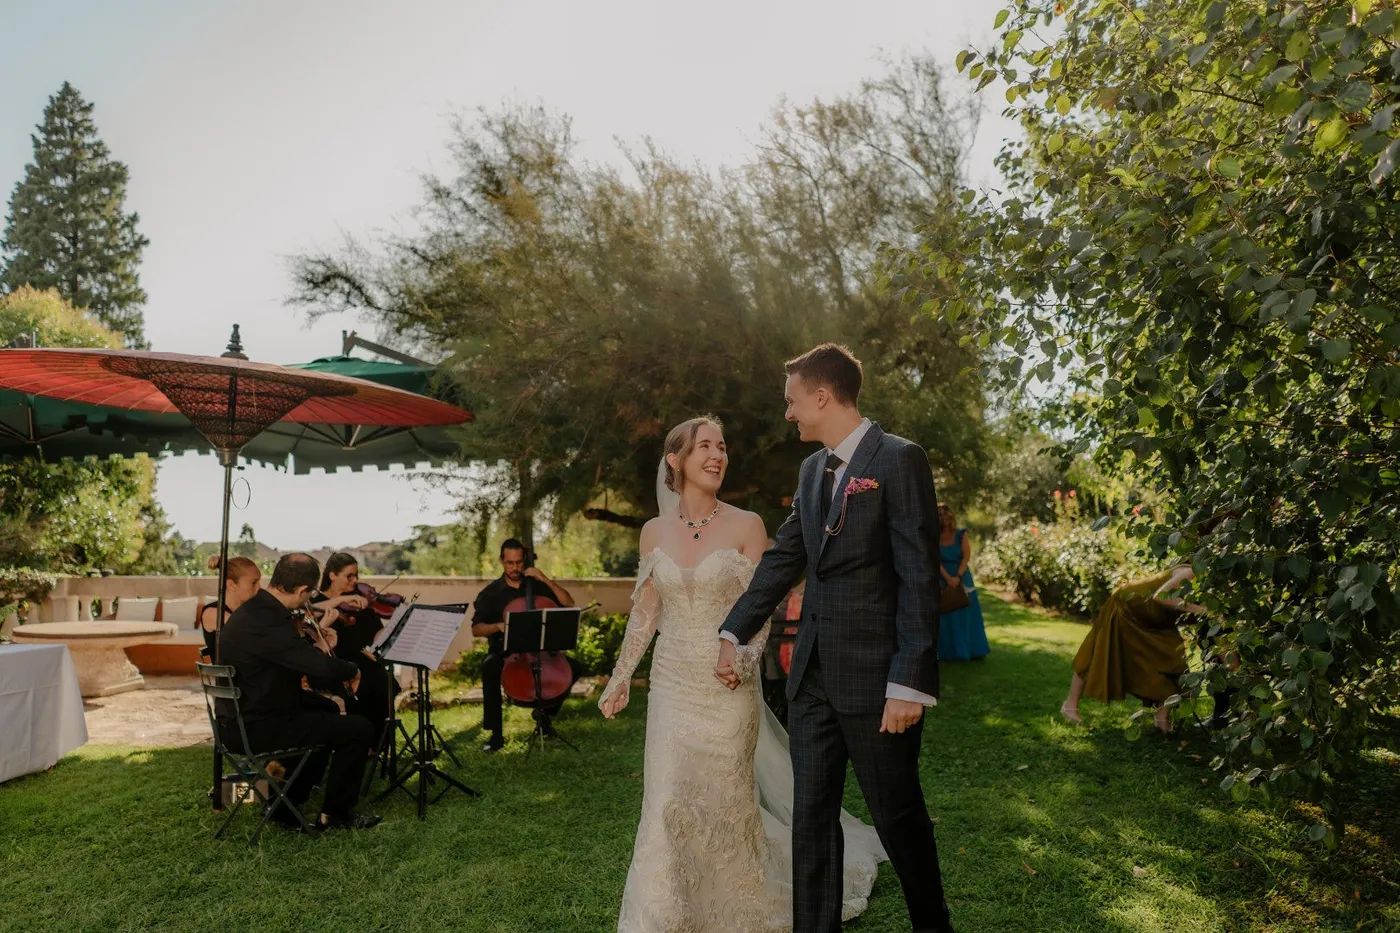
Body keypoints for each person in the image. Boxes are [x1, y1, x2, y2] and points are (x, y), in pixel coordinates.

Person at [600, 414, 886, 931]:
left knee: (728, 800)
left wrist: (745, 660)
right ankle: (662, 914)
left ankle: (738, 904)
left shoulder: (747, 525)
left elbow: (762, 606)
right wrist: (620, 677)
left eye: (722, 446)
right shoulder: (652, 532)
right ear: (676, 461)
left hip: (726, 682)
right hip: (671, 682)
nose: (717, 455)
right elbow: (645, 614)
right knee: (666, 799)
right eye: (704, 446)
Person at [719, 343, 953, 932]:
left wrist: (909, 682)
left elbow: (918, 578)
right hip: (812, 681)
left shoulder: (900, 459)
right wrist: (734, 628)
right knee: (811, 816)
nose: (789, 413)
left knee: (896, 813)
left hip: (879, 682)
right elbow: (785, 557)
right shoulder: (812, 470)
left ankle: (933, 924)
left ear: (823, 396)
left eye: (794, 402)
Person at [218, 553, 382, 831]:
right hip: (254, 725)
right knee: (358, 728)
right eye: (308, 596)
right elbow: (314, 665)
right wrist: (352, 670)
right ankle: (336, 815)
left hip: (250, 711)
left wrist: (316, 645)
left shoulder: (259, 609)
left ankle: (285, 804)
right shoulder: (267, 620)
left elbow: (292, 657)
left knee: (326, 709)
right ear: (303, 590)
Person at [1060, 563, 1202, 733]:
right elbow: (1161, 596)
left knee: (1176, 663)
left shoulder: (1220, 591)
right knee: (1097, 653)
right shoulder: (1191, 571)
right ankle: (1070, 705)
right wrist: (1201, 610)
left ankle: (1162, 717)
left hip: (1155, 622)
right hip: (1126, 606)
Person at [471, 539, 578, 752]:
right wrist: (498, 626)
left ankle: (544, 716)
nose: (515, 568)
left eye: (519, 563)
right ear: (502, 561)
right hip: (507, 653)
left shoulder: (536, 585)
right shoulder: (491, 593)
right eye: (510, 563)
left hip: (540, 650)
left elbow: (568, 603)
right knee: (489, 667)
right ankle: (496, 734)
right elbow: (476, 629)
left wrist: (545, 578)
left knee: (574, 668)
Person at [312, 552, 399, 753]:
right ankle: (362, 741)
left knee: (383, 680)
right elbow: (310, 610)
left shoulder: (360, 602)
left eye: (356, 575)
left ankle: (379, 743)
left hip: (362, 657)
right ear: (332, 575)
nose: (355, 580)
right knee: (366, 682)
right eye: (349, 576)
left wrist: (387, 631)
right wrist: (339, 602)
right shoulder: (318, 601)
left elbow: (375, 632)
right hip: (334, 661)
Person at [936, 505, 990, 662]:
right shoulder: (933, 537)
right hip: (942, 578)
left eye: (946, 514)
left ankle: (971, 651)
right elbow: (935, 560)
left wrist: (957, 577)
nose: (944, 517)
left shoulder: (961, 534)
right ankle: (949, 653)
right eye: (940, 515)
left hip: (962, 577)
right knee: (946, 615)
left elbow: (966, 557)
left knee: (966, 614)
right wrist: (948, 579)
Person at [198, 555, 260, 661]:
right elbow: (251, 635)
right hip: (233, 676)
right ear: (231, 585)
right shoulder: (213, 613)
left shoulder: (248, 609)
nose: (259, 588)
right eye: (254, 583)